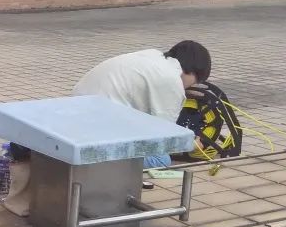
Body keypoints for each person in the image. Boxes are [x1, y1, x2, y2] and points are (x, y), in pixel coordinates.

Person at [73, 40, 212, 168]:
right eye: (196, 81)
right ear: (193, 71)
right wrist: (189, 144)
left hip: (75, 109)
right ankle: (103, 160)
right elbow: (164, 137)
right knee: (161, 159)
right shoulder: (171, 81)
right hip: (95, 126)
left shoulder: (152, 55)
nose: (191, 86)